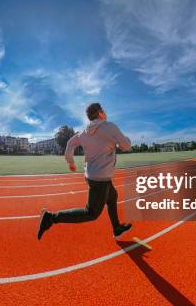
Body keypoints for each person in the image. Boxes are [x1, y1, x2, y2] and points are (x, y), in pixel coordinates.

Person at [37, 102, 133, 240]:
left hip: (92, 175)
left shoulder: (84, 133)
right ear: (100, 113)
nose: (105, 113)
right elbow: (126, 146)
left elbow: (70, 143)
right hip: (101, 178)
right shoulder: (109, 126)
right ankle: (51, 218)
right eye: (103, 111)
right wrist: (126, 140)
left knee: (112, 197)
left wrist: (70, 161)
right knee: (91, 213)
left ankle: (117, 228)